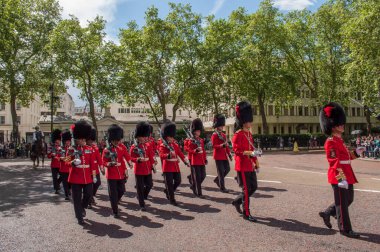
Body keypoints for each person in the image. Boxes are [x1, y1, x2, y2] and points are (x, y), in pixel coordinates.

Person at [318, 102, 365, 238]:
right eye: (339, 123)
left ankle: (327, 213)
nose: (342, 125)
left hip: (347, 174)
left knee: (349, 199)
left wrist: (356, 152)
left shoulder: (339, 140)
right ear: (332, 126)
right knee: (342, 204)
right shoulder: (331, 141)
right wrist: (341, 178)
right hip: (339, 175)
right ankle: (345, 229)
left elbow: (346, 157)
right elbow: (334, 161)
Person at [231, 101, 261, 222]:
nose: (250, 122)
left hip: (250, 166)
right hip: (242, 166)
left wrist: (256, 163)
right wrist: (250, 154)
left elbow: (252, 149)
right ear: (244, 121)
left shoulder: (249, 134)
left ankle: (237, 201)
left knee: (254, 187)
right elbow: (237, 150)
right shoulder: (237, 135)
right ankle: (246, 213)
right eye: (248, 121)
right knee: (247, 190)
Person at [67, 121, 97, 225]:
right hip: (75, 177)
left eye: (84, 139)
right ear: (77, 139)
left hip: (87, 177)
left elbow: (93, 164)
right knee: (76, 198)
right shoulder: (72, 149)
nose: (83, 141)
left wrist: (94, 176)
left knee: (88, 195)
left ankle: (83, 207)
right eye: (81, 139)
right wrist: (72, 163)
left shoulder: (90, 149)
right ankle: (79, 217)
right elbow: (66, 162)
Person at [102, 124, 131, 218]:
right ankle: (115, 211)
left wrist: (127, 167)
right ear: (111, 139)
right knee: (113, 194)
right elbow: (104, 162)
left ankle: (116, 201)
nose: (117, 141)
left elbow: (124, 159)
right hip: (111, 175)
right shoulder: (106, 150)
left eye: (118, 140)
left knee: (122, 190)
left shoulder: (121, 147)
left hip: (120, 173)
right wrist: (109, 164)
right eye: (115, 140)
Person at [159, 121, 190, 206]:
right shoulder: (163, 145)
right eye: (170, 137)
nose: (172, 138)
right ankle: (172, 199)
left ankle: (168, 191)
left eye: (172, 137)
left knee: (178, 181)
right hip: (167, 167)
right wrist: (168, 155)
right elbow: (161, 155)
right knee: (169, 184)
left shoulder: (175, 145)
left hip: (175, 167)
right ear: (166, 136)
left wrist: (185, 161)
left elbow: (180, 153)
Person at [130, 122, 154, 211]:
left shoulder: (147, 145)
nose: (145, 138)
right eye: (143, 136)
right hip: (139, 170)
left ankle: (143, 196)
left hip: (148, 169)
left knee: (150, 185)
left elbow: (150, 156)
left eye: (145, 136)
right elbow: (131, 158)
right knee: (140, 188)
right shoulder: (134, 147)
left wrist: (153, 164)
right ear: (138, 136)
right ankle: (142, 205)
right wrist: (138, 160)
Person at [184, 118, 207, 197]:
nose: (199, 132)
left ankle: (194, 186)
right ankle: (199, 193)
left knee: (203, 175)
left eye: (199, 131)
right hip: (194, 160)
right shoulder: (190, 140)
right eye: (197, 131)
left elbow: (203, 150)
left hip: (201, 160)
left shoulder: (200, 140)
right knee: (197, 177)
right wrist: (194, 150)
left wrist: (205, 158)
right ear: (194, 131)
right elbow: (187, 149)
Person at [211, 114, 232, 193]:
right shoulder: (214, 135)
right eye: (221, 126)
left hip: (224, 155)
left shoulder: (223, 135)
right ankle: (222, 187)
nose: (222, 127)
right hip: (218, 156)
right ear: (217, 126)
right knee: (220, 171)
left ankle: (217, 180)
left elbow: (226, 145)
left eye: (222, 125)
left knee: (227, 169)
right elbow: (214, 145)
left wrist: (229, 154)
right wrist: (221, 145)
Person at [87, 128, 103, 208]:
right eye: (89, 140)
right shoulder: (84, 148)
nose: (90, 142)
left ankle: (91, 195)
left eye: (91, 140)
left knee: (97, 183)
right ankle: (89, 201)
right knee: (89, 187)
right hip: (87, 171)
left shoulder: (95, 148)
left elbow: (99, 159)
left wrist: (101, 167)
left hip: (95, 171)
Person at [47, 129, 62, 194]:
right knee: (54, 178)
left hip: (61, 164)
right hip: (54, 165)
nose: (58, 141)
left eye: (59, 140)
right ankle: (56, 189)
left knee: (63, 176)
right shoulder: (51, 147)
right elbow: (48, 156)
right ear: (55, 140)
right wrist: (51, 155)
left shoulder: (62, 147)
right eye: (57, 140)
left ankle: (57, 183)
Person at [59, 130, 72, 200]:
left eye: (69, 141)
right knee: (65, 183)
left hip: (70, 168)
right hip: (63, 168)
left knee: (70, 182)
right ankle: (66, 195)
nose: (68, 142)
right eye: (67, 141)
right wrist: (61, 158)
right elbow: (58, 157)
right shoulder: (61, 148)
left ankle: (69, 190)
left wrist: (67, 159)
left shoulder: (72, 149)